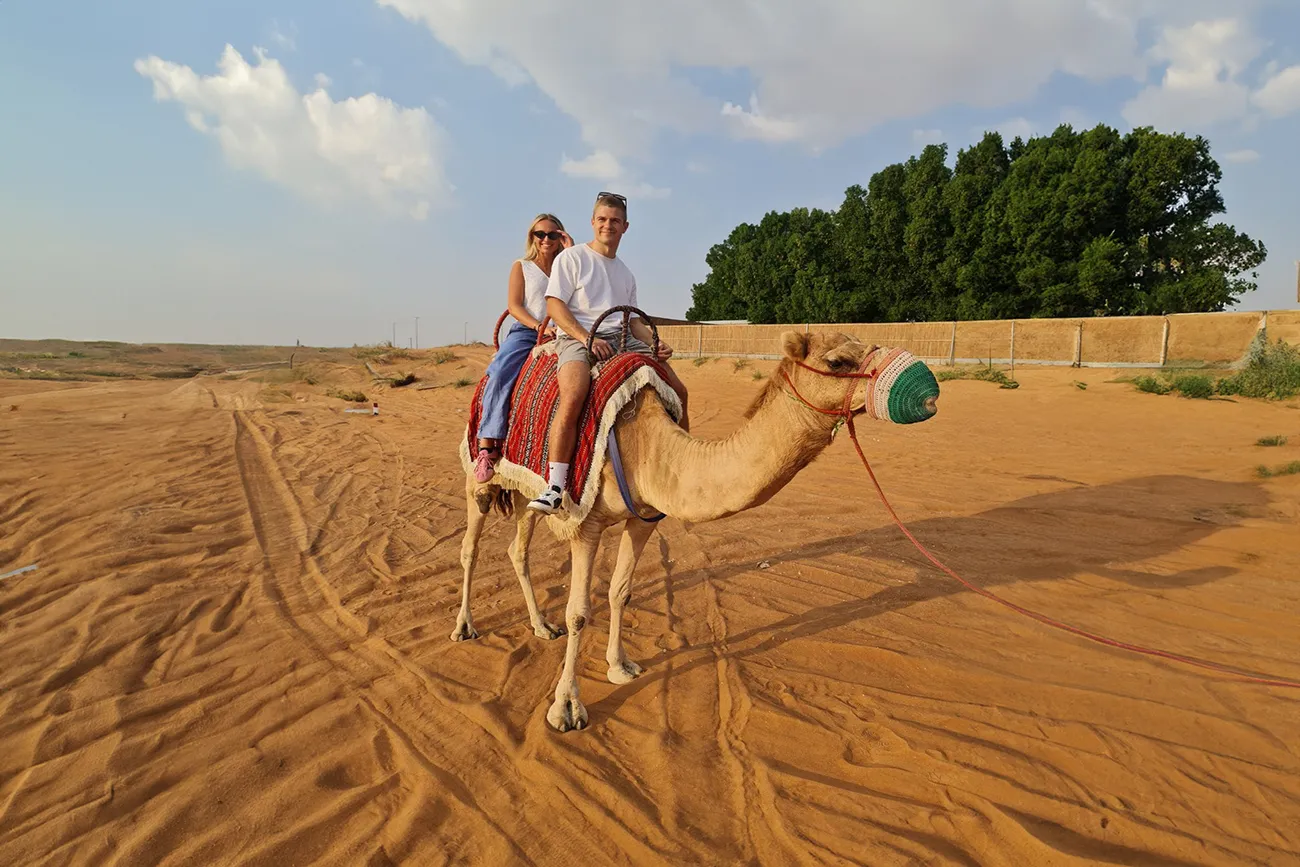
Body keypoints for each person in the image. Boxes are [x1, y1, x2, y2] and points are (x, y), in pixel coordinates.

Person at [528, 192, 689, 514]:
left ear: (625, 227)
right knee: (573, 394)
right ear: (593, 222)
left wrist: (655, 341)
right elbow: (555, 305)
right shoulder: (572, 258)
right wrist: (585, 337)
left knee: (679, 391)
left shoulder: (625, 273)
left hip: (622, 337)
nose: (608, 226)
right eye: (602, 219)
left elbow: (632, 321)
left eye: (615, 221)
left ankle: (682, 466)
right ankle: (556, 484)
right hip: (578, 336)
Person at [473, 213, 573, 483]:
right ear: (532, 237)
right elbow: (515, 306)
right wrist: (538, 327)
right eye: (540, 234)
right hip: (529, 332)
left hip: (564, 331)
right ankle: (486, 446)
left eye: (553, 234)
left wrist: (571, 252)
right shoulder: (522, 266)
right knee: (501, 371)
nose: (546, 240)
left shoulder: (568, 266)